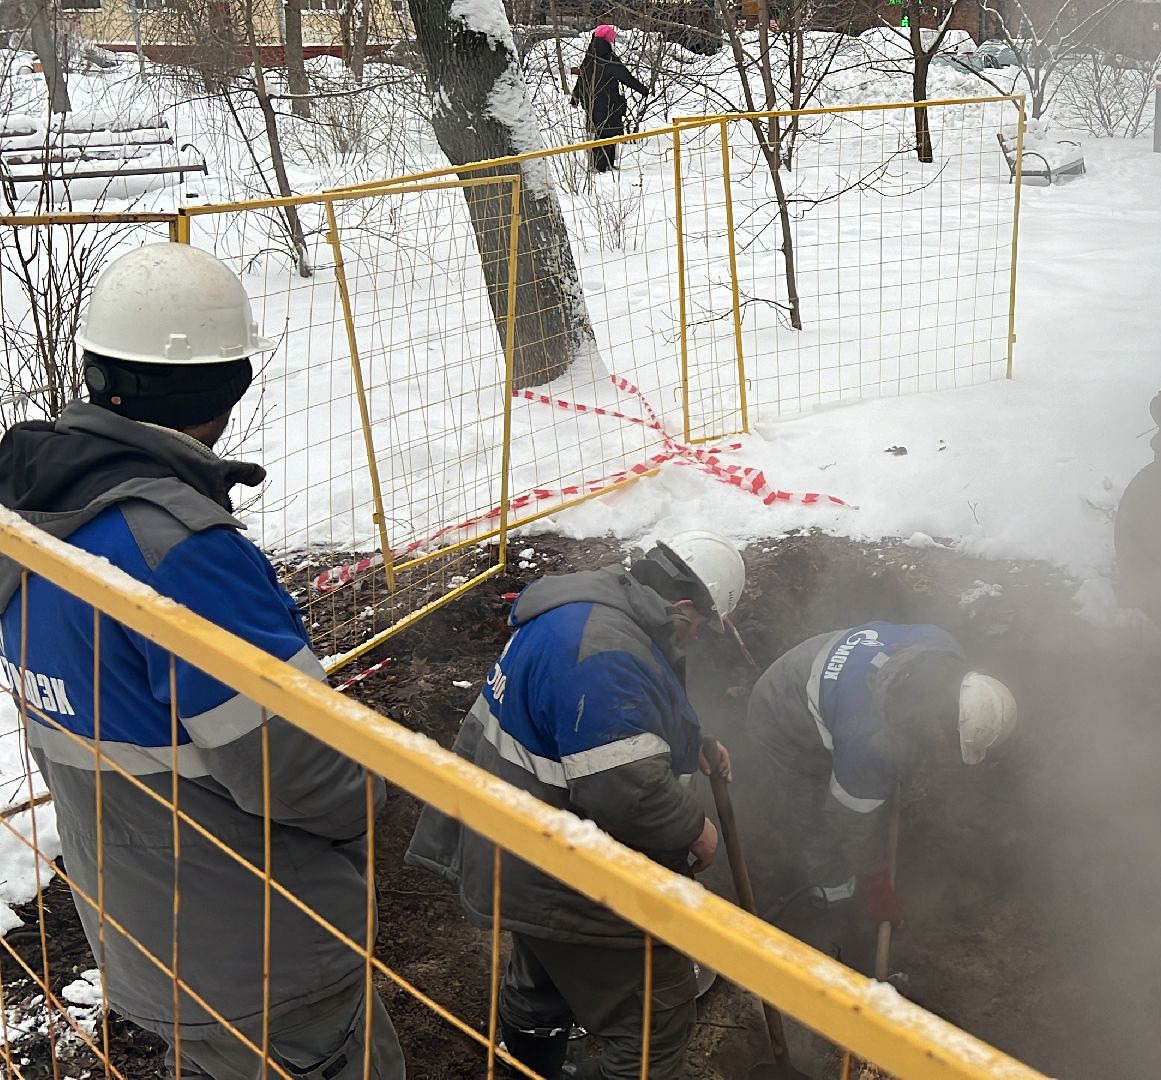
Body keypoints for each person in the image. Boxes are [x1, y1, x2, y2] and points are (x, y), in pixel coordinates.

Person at [0, 243, 404, 1079]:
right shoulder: (177, 551)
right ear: (229, 390)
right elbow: (306, 774)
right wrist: (380, 787)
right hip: (264, 954)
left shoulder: (31, 522)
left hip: (145, 941)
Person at [406, 532, 746, 1080]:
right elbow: (624, 789)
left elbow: (610, 716)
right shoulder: (606, 654)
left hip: (518, 847)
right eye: (702, 627)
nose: (696, 639)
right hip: (561, 870)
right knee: (654, 1020)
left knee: (544, 976)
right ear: (684, 608)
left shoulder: (591, 612)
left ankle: (526, 1067)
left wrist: (689, 736)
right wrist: (695, 829)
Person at [743, 622, 1016, 959]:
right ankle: (834, 894)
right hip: (781, 713)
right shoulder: (869, 741)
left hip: (818, 669)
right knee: (812, 810)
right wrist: (875, 885)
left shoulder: (943, 648)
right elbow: (847, 818)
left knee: (864, 782)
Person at [570, 24, 651, 173]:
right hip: (608, 103)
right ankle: (604, 166)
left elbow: (581, 79)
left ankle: (599, 165)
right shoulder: (609, 59)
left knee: (599, 133)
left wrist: (576, 97)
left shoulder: (589, 57)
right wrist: (644, 90)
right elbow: (626, 77)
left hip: (590, 103)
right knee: (609, 134)